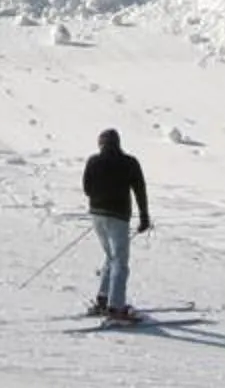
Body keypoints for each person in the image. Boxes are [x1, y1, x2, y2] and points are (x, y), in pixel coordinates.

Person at [82, 129, 151, 324]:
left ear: (101, 144)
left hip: (97, 215)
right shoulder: (129, 162)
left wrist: (101, 199)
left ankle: (103, 299)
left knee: (111, 256)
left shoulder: (93, 161)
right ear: (118, 143)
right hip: (119, 217)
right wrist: (144, 216)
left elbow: (87, 189)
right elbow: (140, 190)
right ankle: (116, 307)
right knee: (120, 261)